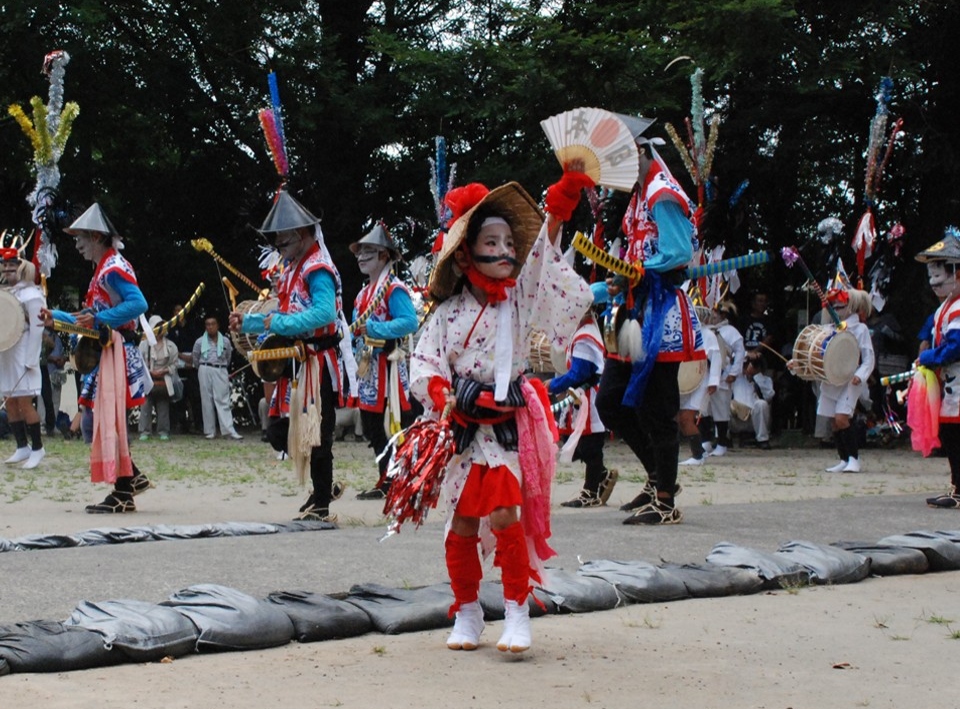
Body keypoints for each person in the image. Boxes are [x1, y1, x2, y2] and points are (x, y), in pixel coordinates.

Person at [410, 176, 593, 653]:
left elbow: (541, 263)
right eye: (492, 241)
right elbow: (424, 361)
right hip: (462, 431)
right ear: (466, 254)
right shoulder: (446, 314)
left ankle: (517, 610)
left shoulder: (519, 301)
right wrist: (440, 390)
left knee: (508, 515)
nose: (506, 249)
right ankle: (467, 612)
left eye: (509, 241)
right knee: (464, 524)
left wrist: (560, 206)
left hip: (506, 430)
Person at [596, 120, 705, 526]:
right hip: (635, 309)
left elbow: (678, 252)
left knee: (659, 408)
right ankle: (658, 476)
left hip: (661, 312)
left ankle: (664, 501)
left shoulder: (661, 193)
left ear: (638, 152)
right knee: (611, 400)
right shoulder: (640, 194)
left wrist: (635, 271)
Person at [230, 190, 351, 522]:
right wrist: (249, 320)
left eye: (281, 237)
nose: (278, 244)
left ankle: (322, 501)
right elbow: (280, 314)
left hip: (318, 362)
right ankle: (322, 490)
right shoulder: (295, 267)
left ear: (299, 233)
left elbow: (324, 314)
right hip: (299, 362)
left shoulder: (318, 268)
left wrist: (276, 322)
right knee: (283, 432)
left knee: (316, 433)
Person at [49, 203, 154, 512]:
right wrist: (52, 316)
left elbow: (138, 304)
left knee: (107, 419)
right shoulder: (104, 270)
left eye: (80, 239)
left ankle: (125, 489)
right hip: (109, 351)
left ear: (96, 236)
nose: (78, 246)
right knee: (103, 418)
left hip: (117, 350)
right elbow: (86, 318)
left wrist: (99, 320)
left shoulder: (112, 268)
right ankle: (129, 480)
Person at [349, 224, 420, 500]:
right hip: (369, 370)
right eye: (360, 252)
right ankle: (386, 479)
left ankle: (402, 481)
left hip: (389, 369)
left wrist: (376, 330)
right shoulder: (363, 294)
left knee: (394, 426)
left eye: (369, 252)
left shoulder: (394, 288)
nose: (361, 257)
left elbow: (409, 322)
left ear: (383, 256)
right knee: (373, 427)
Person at [793, 287, 875, 473]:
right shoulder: (828, 329)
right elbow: (815, 353)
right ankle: (843, 459)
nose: (836, 311)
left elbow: (869, 358)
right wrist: (797, 363)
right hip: (831, 379)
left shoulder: (860, 329)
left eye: (841, 307)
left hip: (850, 380)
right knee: (833, 421)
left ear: (851, 307)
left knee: (842, 418)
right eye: (834, 308)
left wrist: (860, 375)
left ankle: (854, 458)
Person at [551, 305, 618, 507]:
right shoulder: (583, 331)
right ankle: (602, 475)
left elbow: (579, 373)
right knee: (577, 443)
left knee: (590, 445)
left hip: (589, 395)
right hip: (581, 395)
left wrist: (553, 385)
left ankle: (590, 492)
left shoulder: (585, 336)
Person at [914, 228, 960, 506]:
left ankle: (958, 490)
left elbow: (956, 345)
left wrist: (930, 357)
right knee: (952, 436)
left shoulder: (957, 309)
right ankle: (957, 488)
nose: (934, 284)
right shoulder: (946, 307)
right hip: (952, 386)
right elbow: (928, 331)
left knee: (956, 437)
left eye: (939, 275)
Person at [0, 247, 46, 469]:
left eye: (12, 267)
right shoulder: (7, 294)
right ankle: (22, 446)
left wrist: (31, 359)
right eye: (5, 267)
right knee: (10, 402)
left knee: (25, 403)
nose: (8, 271)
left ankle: (37, 448)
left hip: (24, 353)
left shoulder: (33, 295)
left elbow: (37, 330)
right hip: (7, 354)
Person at [679, 306, 722, 466]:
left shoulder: (708, 334)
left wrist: (713, 381)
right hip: (686, 381)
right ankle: (699, 451)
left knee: (686, 418)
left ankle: (698, 455)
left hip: (701, 380)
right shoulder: (684, 333)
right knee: (680, 418)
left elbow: (716, 358)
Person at [703, 300, 745, 457]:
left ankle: (721, 442)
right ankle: (705, 441)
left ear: (723, 315)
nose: (712, 316)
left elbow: (740, 352)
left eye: (715, 313)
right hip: (705, 374)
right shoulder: (704, 330)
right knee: (703, 408)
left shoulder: (730, 331)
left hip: (723, 375)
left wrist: (734, 372)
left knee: (721, 409)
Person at [192, 315, 243, 440]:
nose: (210, 327)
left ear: (217, 326)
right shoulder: (199, 341)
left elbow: (228, 356)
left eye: (212, 324)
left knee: (223, 399)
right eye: (207, 324)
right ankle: (210, 431)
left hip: (220, 368)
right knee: (206, 400)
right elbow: (195, 357)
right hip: (204, 367)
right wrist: (203, 368)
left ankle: (228, 430)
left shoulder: (225, 340)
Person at [138, 315, 181, 441]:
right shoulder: (144, 344)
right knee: (145, 406)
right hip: (148, 379)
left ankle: (163, 431)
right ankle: (145, 431)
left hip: (164, 380)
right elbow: (139, 362)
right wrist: (150, 372)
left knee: (163, 407)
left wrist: (165, 371)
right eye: (157, 327)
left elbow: (175, 364)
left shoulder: (171, 346)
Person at [729, 356, 775, 449]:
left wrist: (756, 375)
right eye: (745, 365)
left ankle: (762, 440)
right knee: (723, 403)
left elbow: (769, 396)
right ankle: (723, 439)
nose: (747, 368)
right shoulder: (735, 380)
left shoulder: (766, 380)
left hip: (755, 421)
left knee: (761, 404)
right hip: (737, 420)